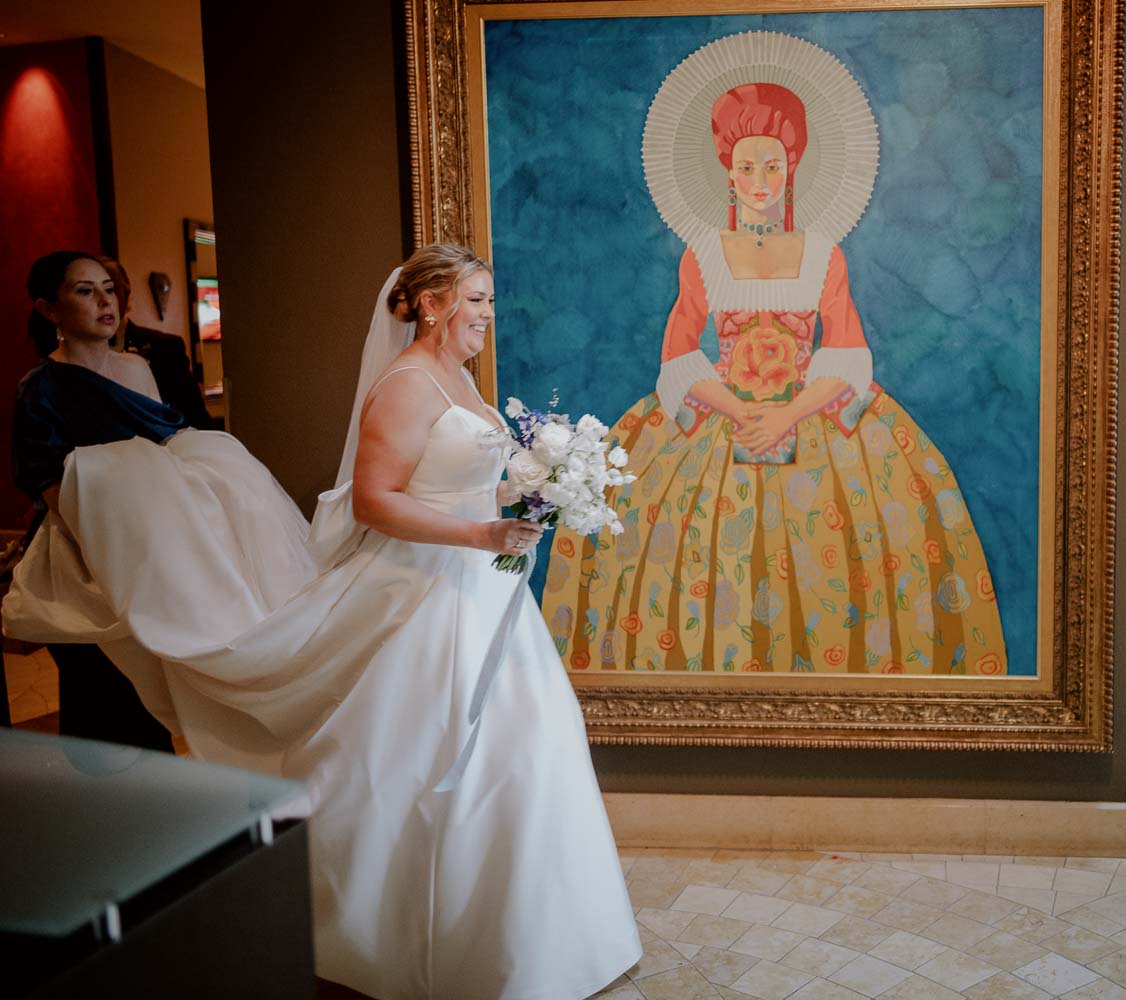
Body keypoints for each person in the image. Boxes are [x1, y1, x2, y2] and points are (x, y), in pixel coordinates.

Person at [4, 244, 641, 998]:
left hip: (484, 593)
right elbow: (376, 500)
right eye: (476, 301)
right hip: (423, 598)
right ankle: (398, 938)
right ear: (432, 303)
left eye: (489, 303)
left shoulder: (459, 377)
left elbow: (455, 483)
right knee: (420, 762)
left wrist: (535, 490)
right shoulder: (403, 385)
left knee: (527, 745)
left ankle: (543, 942)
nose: (487, 317)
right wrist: (481, 535)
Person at [542, 33, 1009, 678]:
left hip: (815, 419)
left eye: (772, 165)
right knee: (698, 564)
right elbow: (678, 351)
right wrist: (740, 410)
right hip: (719, 418)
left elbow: (847, 349)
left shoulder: (824, 253)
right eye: (746, 167)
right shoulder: (702, 253)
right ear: (726, 171)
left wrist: (788, 416)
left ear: (793, 166)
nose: (760, 181)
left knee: (838, 570)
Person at [11, 250, 177, 751]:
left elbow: (168, 456)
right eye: (85, 290)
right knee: (101, 708)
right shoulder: (38, 390)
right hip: (84, 562)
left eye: (108, 287)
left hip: (150, 557)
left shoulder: (138, 369)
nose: (106, 300)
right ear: (49, 309)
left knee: (152, 703)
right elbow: (52, 488)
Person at [99, 255, 216, 430]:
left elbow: (196, 418)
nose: (102, 301)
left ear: (126, 290)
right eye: (87, 292)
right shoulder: (62, 359)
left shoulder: (166, 347)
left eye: (110, 289)